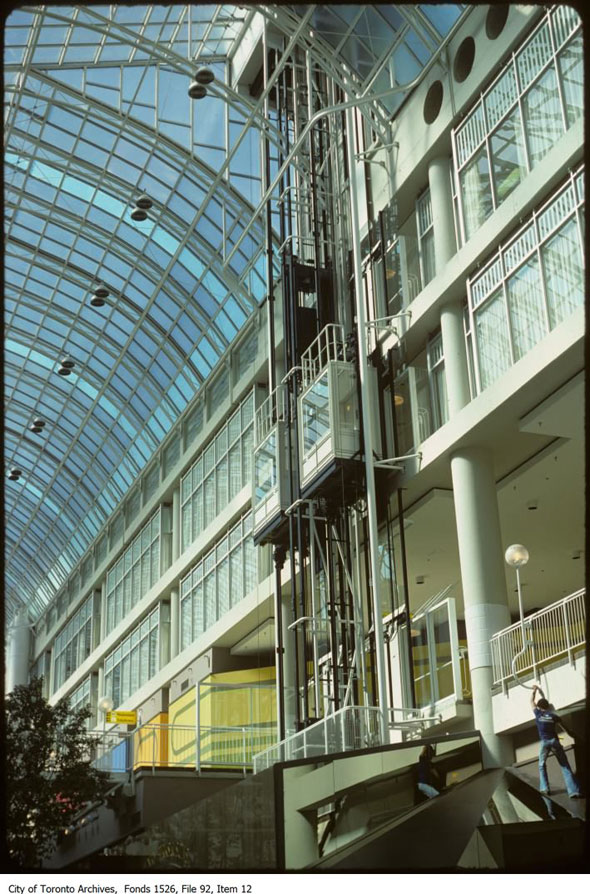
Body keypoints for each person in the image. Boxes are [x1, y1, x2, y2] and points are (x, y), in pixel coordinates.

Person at [531, 684, 581, 798]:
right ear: (548, 707)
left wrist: (534, 691)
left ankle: (545, 788)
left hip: (544, 742)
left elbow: (531, 701)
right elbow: (565, 728)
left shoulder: (538, 714)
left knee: (541, 764)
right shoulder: (553, 716)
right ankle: (574, 791)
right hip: (554, 741)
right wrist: (571, 734)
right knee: (565, 766)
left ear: (539, 707)